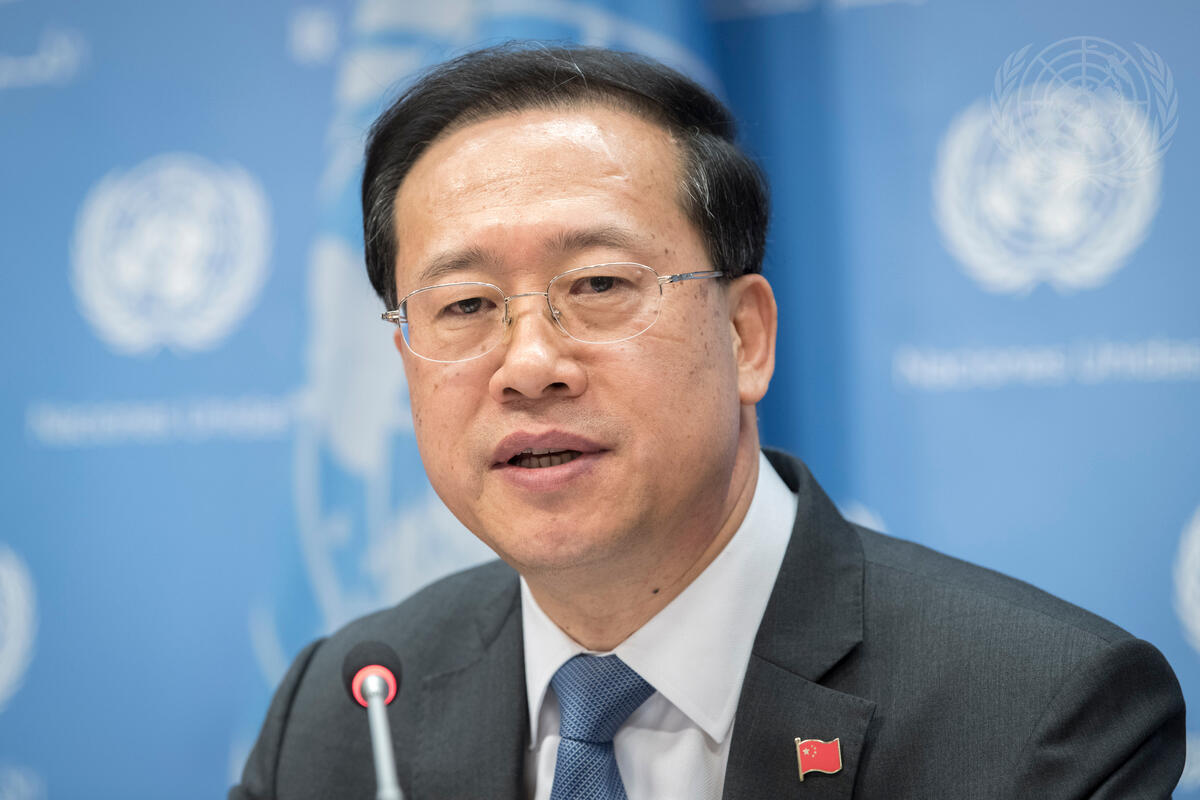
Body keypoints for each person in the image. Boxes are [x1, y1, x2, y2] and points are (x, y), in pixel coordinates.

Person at [231, 43, 1186, 799]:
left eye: (598, 285)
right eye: (466, 305)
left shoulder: (1037, 715)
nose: (527, 366)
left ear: (746, 337)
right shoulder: (344, 712)